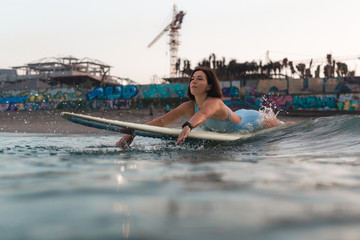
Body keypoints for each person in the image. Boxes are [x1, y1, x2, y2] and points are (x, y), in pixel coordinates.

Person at [116, 67, 293, 147]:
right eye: (192, 78)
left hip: (253, 121)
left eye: (199, 79)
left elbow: (204, 114)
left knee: (284, 127)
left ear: (209, 86)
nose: (193, 81)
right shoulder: (189, 106)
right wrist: (133, 133)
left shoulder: (214, 102)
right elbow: (162, 121)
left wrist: (188, 126)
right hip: (236, 116)